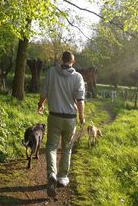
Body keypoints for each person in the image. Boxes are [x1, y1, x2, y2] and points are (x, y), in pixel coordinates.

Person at [37, 51, 85, 197]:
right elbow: (80, 100)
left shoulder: (51, 72)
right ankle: (62, 178)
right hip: (70, 118)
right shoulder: (78, 77)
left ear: (61, 59)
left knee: (51, 147)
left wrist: (40, 104)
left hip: (54, 116)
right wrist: (81, 116)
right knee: (66, 148)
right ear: (73, 61)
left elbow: (44, 91)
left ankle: (51, 174)